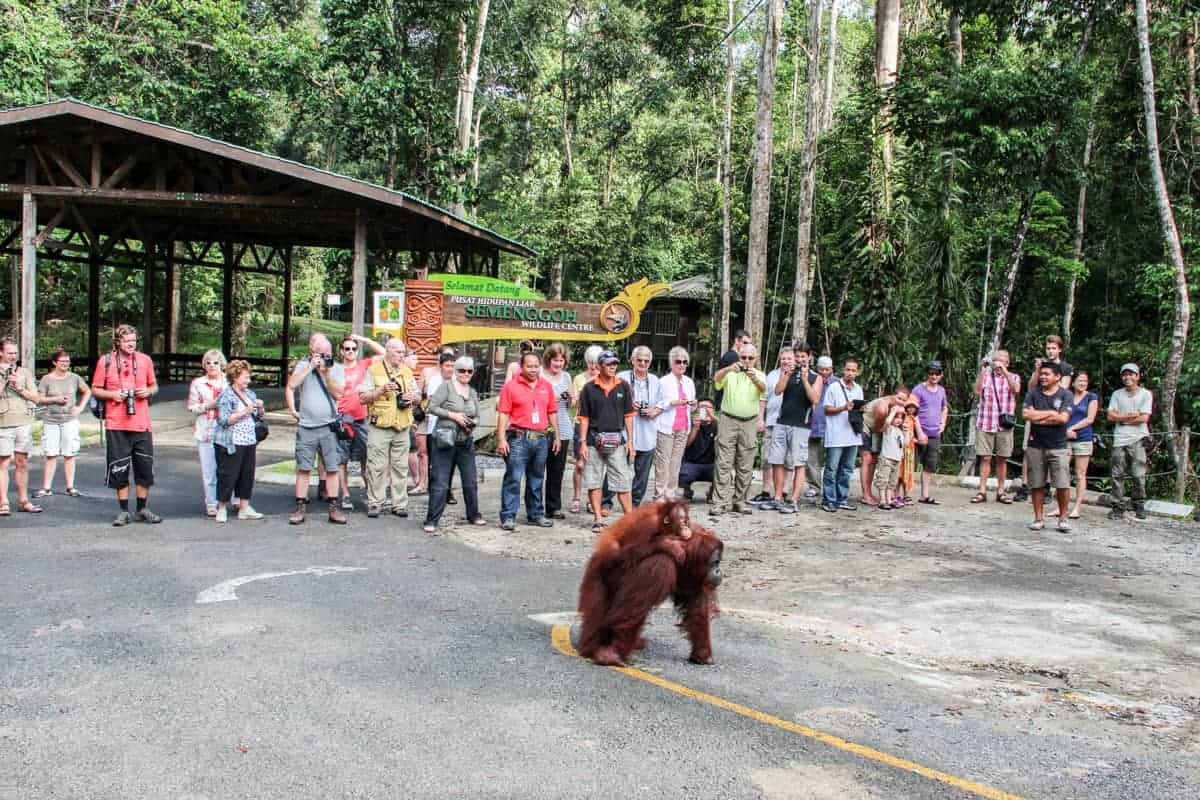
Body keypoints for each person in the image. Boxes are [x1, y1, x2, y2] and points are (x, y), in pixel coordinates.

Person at [90, 325, 161, 526]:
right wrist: (113, 395)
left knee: (144, 467)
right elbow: (95, 389)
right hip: (116, 423)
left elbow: (154, 385)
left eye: (133, 340)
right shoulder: (106, 361)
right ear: (118, 342)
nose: (131, 344)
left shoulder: (145, 360)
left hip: (141, 423)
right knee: (119, 467)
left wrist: (148, 391)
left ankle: (142, 508)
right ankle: (123, 510)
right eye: (127, 341)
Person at [287, 334, 347, 525]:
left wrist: (326, 374)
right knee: (303, 468)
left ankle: (333, 507)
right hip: (306, 426)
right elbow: (292, 384)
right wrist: (310, 367)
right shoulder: (303, 365)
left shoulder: (336, 368)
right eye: (322, 353)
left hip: (328, 426)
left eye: (328, 352)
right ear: (313, 352)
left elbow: (339, 394)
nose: (326, 356)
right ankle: (300, 507)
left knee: (332, 468)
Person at [358, 338, 421, 519]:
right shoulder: (374, 370)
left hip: (402, 426)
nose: (402, 356)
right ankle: (375, 502)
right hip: (380, 426)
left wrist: (413, 397)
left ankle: (399, 504)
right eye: (399, 352)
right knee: (376, 466)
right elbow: (362, 397)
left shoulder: (407, 372)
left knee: (400, 467)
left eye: (403, 353)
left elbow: (418, 395)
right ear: (388, 351)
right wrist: (381, 391)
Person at [497, 351, 558, 531]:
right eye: (529, 366)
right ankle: (508, 516)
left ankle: (536, 514)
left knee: (537, 479)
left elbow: (552, 411)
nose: (533, 370)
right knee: (513, 478)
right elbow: (503, 413)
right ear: (521, 367)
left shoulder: (546, 385)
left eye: (536, 366)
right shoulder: (510, 387)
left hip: (540, 439)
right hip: (518, 438)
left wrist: (556, 435)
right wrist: (501, 438)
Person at [424, 356, 487, 532]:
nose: (465, 374)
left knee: (470, 480)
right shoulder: (446, 387)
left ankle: (473, 514)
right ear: (455, 371)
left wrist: (472, 422)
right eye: (462, 370)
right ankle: (432, 519)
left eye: (469, 371)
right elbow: (431, 407)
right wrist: (453, 416)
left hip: (465, 441)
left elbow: (478, 415)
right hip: (444, 440)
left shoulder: (472, 392)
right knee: (440, 481)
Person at [577, 350, 635, 531]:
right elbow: (583, 417)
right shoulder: (588, 388)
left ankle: (631, 520)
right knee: (594, 480)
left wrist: (631, 442)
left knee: (622, 481)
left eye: (614, 364)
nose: (612, 367)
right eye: (609, 364)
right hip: (594, 439)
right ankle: (598, 519)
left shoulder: (623, 386)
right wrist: (582, 442)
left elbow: (629, 416)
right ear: (599, 365)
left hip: (617, 440)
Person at [709, 342, 767, 517]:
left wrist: (753, 377)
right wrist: (728, 369)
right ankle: (719, 502)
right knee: (723, 463)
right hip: (728, 419)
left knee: (746, 464)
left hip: (749, 422)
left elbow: (764, 391)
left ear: (756, 359)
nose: (747, 361)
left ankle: (740, 501)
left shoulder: (760, 375)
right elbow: (716, 379)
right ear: (738, 357)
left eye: (750, 358)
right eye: (744, 357)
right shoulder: (730, 372)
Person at [1015, 335, 1074, 501]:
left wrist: (1044, 414)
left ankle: (1047, 487)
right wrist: (1037, 370)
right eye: (1048, 348)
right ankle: (1026, 485)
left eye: (1053, 348)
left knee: (1051, 453)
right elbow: (1031, 387)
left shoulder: (1066, 368)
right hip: (1038, 412)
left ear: (1059, 349)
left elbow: (1062, 391)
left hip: (1055, 415)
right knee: (1029, 451)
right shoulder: (1041, 367)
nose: (1050, 351)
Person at [765, 347, 823, 514]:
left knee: (799, 463)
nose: (799, 359)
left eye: (803, 356)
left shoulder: (815, 377)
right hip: (782, 422)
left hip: (801, 425)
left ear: (809, 357)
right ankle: (777, 497)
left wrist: (805, 380)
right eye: (797, 356)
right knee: (776, 460)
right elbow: (777, 391)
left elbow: (815, 399)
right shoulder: (788, 372)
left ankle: (793, 500)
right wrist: (787, 375)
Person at [0, 336, 52, 515]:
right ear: (1, 353)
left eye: (15, 353)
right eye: (9, 353)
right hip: (3, 423)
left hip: (23, 421)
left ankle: (23, 500)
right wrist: (5, 380)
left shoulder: (24, 373)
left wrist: (18, 386)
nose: (13, 356)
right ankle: (3, 502)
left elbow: (36, 398)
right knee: (3, 462)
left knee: (22, 462)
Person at [212, 359, 265, 523]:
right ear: (235, 377)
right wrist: (244, 412)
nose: (248, 381)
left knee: (247, 475)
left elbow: (258, 416)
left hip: (249, 440)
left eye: (249, 377)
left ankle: (244, 506)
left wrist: (260, 408)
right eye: (245, 377)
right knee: (227, 475)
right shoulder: (226, 395)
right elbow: (223, 420)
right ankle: (221, 507)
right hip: (231, 441)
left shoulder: (250, 394)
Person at [1023, 361, 1073, 532]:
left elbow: (1063, 419)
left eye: (1047, 374)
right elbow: (1026, 414)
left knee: (1062, 483)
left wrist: (1040, 416)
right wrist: (1051, 413)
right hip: (1035, 444)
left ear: (1057, 377)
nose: (1043, 377)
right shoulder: (1033, 393)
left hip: (1058, 445)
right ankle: (1038, 518)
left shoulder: (1066, 395)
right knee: (1036, 483)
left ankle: (1064, 518)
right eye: (1041, 374)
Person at [335, 333, 383, 510]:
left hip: (361, 418)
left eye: (353, 349)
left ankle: (371, 495)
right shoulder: (336, 369)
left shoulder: (364, 365)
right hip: (342, 418)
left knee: (366, 458)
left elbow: (384, 354)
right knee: (342, 459)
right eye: (347, 349)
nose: (350, 351)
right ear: (341, 351)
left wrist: (364, 340)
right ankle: (345, 495)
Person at [35, 348, 91, 499]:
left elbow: (87, 391)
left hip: (69, 420)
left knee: (70, 453)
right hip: (51, 420)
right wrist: (55, 400)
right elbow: (39, 399)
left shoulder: (75, 377)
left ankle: (70, 487)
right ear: (54, 363)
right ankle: (46, 487)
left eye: (67, 361)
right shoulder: (47, 379)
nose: (65, 364)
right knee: (51, 453)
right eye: (62, 361)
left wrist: (80, 407)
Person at [972, 350, 1021, 505]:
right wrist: (982, 370)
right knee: (985, 458)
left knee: (1002, 458)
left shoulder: (1013, 377)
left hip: (1004, 425)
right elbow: (977, 392)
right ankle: (982, 491)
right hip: (985, 422)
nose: (998, 364)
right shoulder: (986, 376)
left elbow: (1016, 390)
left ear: (1007, 362)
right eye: (996, 360)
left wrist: (1005, 371)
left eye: (1002, 361)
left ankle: (1001, 491)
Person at [1107, 363, 1153, 521]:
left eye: (1131, 374)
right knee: (1117, 474)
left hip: (1139, 438)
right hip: (1119, 439)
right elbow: (1110, 416)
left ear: (1137, 376)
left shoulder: (1145, 394)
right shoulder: (1117, 394)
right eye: (1125, 374)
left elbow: (1144, 418)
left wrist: (1121, 418)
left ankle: (1139, 504)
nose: (1128, 377)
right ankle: (1117, 506)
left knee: (1138, 474)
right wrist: (1129, 417)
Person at [617, 345, 661, 506]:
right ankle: (606, 502)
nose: (642, 363)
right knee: (616, 466)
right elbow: (612, 399)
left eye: (646, 361)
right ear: (632, 360)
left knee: (642, 472)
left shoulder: (655, 381)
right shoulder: (622, 377)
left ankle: (635, 503)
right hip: (623, 429)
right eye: (639, 360)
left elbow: (662, 403)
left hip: (647, 430)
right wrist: (628, 405)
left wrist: (654, 410)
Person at [652, 346, 697, 501]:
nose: (682, 365)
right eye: (678, 362)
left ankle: (670, 493)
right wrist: (672, 402)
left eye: (685, 362)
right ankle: (659, 495)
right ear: (672, 363)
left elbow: (690, 407)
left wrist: (694, 404)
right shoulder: (663, 381)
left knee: (676, 462)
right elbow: (657, 404)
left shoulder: (689, 382)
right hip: (666, 426)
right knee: (663, 462)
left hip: (683, 426)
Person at [186, 349, 227, 516]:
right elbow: (192, 406)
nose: (212, 366)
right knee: (209, 469)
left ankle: (228, 498)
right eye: (208, 363)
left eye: (215, 363)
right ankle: (211, 502)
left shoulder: (229, 382)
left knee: (226, 467)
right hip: (205, 428)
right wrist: (207, 406)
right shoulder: (198, 383)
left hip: (226, 428)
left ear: (221, 365)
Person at [820, 359, 864, 513]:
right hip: (836, 434)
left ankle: (842, 498)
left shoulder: (858, 389)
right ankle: (828, 499)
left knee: (847, 468)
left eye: (853, 370)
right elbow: (826, 409)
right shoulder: (834, 387)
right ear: (842, 370)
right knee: (831, 468)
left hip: (852, 434)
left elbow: (858, 410)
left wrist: (861, 409)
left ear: (857, 372)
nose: (850, 373)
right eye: (848, 370)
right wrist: (844, 407)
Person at [859, 384, 909, 506]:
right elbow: (879, 428)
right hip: (866, 427)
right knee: (867, 458)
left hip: (876, 429)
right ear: (893, 395)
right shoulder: (883, 407)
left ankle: (876, 494)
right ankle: (866, 495)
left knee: (874, 459)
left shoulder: (897, 408)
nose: (901, 402)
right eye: (899, 398)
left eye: (904, 400)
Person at [420, 351, 459, 507]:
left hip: (454, 428)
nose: (450, 369)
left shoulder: (458, 381)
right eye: (447, 365)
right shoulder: (435, 381)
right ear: (441, 366)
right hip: (434, 428)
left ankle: (448, 490)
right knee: (435, 462)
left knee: (451, 461)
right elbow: (434, 402)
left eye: (453, 366)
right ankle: (434, 489)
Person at [541, 343, 575, 519]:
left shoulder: (567, 377)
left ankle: (553, 507)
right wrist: (551, 398)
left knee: (557, 471)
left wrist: (571, 398)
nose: (559, 363)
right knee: (537, 470)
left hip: (563, 427)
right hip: (542, 427)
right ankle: (536, 507)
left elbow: (571, 405)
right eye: (555, 360)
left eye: (561, 360)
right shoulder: (539, 374)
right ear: (549, 359)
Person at [752, 347, 788, 504]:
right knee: (767, 458)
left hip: (788, 422)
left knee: (787, 459)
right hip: (771, 421)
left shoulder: (797, 375)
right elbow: (764, 398)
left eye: (789, 358)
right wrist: (761, 418)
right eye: (784, 358)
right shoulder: (772, 375)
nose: (786, 361)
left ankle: (784, 492)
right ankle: (766, 491)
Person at [571, 344, 604, 514]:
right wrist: (579, 396)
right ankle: (576, 497)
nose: (593, 366)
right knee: (580, 464)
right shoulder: (578, 379)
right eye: (590, 362)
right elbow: (573, 404)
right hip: (581, 424)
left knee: (597, 465)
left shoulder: (605, 379)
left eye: (597, 363)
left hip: (599, 426)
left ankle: (593, 501)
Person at [912, 360, 949, 504]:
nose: (934, 376)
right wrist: (919, 432)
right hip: (919, 432)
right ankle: (902, 494)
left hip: (934, 434)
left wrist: (943, 423)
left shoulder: (941, 390)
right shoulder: (918, 390)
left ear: (941, 375)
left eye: (937, 373)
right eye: (931, 373)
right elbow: (912, 412)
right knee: (910, 464)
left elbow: (944, 408)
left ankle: (925, 495)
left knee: (930, 466)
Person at [1065, 370, 1098, 520]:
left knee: (1080, 474)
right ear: (1073, 382)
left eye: (1085, 380)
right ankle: (1062, 506)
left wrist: (1072, 428)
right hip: (1065, 438)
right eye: (1079, 380)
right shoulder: (1067, 396)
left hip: (1083, 438)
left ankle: (1077, 507)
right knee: (1062, 472)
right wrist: (1065, 430)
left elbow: (1090, 419)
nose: (1082, 383)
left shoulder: (1091, 397)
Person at [805, 355, 834, 498]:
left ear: (831, 369)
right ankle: (814, 486)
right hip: (813, 424)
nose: (824, 372)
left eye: (827, 369)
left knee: (831, 459)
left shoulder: (836, 383)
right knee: (812, 457)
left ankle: (830, 487)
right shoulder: (812, 380)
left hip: (831, 426)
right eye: (821, 369)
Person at [679, 399, 718, 500]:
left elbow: (728, 435)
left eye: (708, 407)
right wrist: (695, 428)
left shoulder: (717, 425)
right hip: (692, 463)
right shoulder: (690, 424)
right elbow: (685, 445)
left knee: (725, 474)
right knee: (681, 474)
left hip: (711, 464)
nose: (705, 410)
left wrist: (714, 418)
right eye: (701, 407)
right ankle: (687, 491)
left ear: (713, 410)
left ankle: (713, 492)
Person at [404, 347, 428, 495]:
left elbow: (417, 395)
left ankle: (417, 479)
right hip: (404, 417)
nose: (417, 361)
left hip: (411, 416)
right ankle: (416, 479)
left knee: (413, 449)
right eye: (413, 358)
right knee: (413, 449)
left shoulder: (410, 375)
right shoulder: (403, 375)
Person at [873, 406, 905, 510]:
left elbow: (903, 444)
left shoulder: (900, 431)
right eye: (896, 417)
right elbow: (887, 422)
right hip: (887, 458)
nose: (898, 420)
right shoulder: (888, 429)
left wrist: (906, 431)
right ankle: (882, 500)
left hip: (896, 459)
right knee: (883, 479)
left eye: (901, 417)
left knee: (893, 481)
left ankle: (889, 500)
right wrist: (893, 412)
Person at [714, 329, 752, 410]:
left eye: (749, 344)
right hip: (727, 404)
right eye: (744, 342)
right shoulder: (732, 357)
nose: (747, 346)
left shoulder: (733, 356)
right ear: (736, 341)